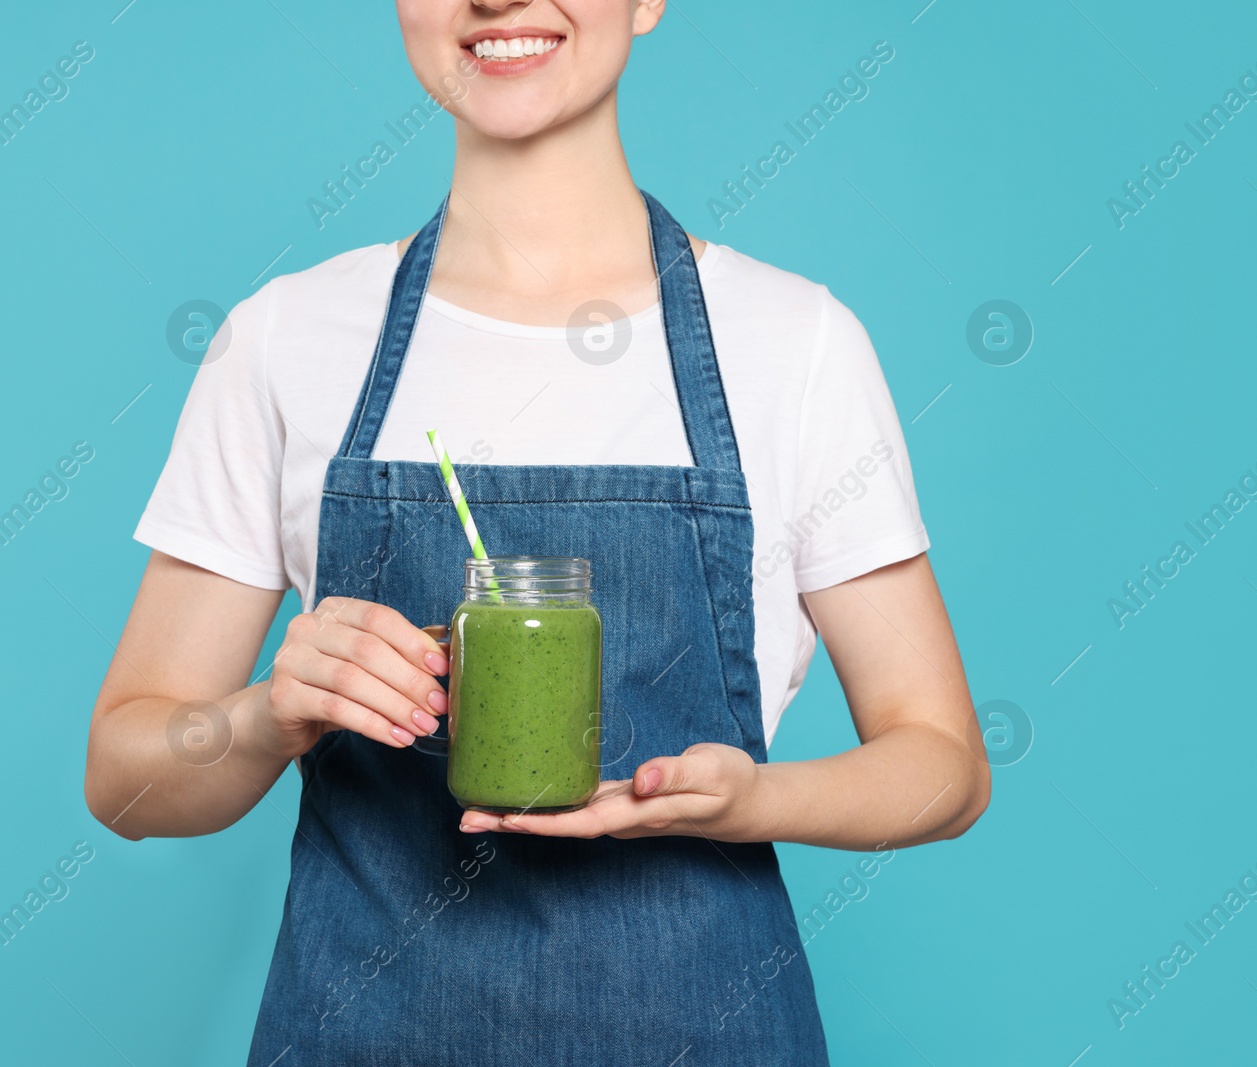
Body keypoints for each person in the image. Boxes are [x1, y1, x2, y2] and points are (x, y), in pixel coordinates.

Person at [85, 2, 989, 1063]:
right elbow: (124, 778)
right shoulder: (285, 339)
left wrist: (752, 799)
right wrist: (272, 714)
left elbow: (943, 765)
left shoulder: (796, 347)